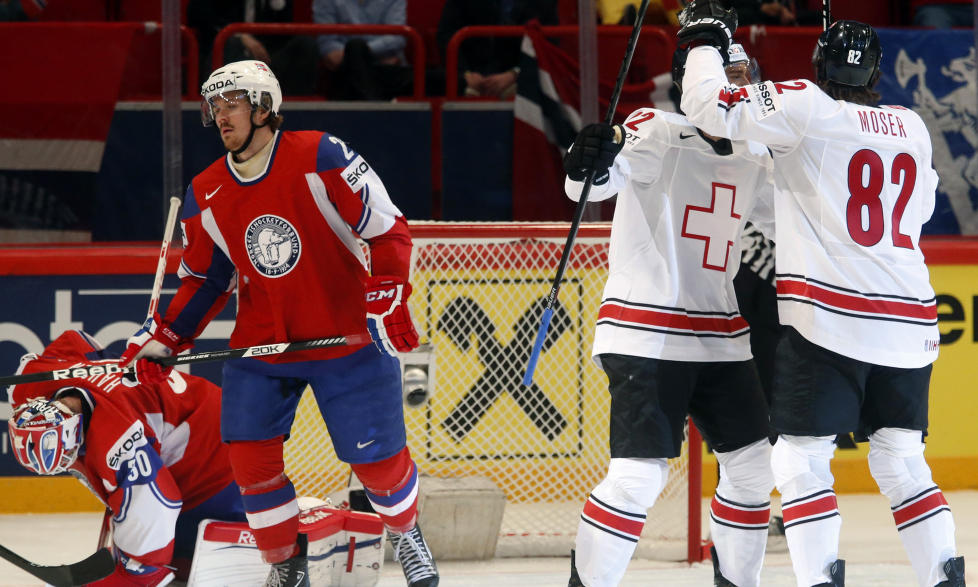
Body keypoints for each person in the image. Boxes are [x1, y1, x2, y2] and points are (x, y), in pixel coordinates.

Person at [677, 2, 966, 585]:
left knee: (801, 460)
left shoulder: (806, 105)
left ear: (818, 65)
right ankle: (946, 579)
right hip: (909, 323)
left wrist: (705, 40)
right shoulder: (911, 126)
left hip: (829, 320)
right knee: (903, 462)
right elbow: (923, 206)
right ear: (878, 73)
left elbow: (709, 106)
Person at [119, 60, 438, 587]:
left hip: (346, 338)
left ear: (264, 106)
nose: (221, 115)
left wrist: (389, 296)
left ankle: (405, 532)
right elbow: (205, 282)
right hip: (263, 347)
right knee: (249, 462)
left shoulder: (321, 155)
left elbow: (388, 230)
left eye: (232, 103)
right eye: (214, 106)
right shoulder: (206, 191)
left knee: (379, 464)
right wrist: (165, 336)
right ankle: (285, 563)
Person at [562, 43, 778, 587]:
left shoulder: (757, 152)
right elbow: (595, 182)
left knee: (755, 469)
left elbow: (793, 225)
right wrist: (585, 159)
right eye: (726, 74)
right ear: (694, 85)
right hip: (645, 331)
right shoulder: (655, 129)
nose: (737, 85)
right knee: (638, 478)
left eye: (743, 74)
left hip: (721, 336)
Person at [7, 330, 246, 586]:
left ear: (72, 429)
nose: (69, 461)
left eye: (67, 453)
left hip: (219, 454)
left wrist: (138, 573)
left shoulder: (115, 437)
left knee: (180, 560)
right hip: (199, 408)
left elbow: (158, 504)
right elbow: (76, 338)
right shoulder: (32, 382)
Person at [187, 0, 319, 95]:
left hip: (267, 56)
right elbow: (199, 16)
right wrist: (239, 35)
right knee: (233, 44)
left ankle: (296, 113)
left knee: (305, 45)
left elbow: (284, 27)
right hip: (226, 50)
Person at [437, 0, 559, 98]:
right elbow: (446, 35)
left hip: (518, 78)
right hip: (472, 76)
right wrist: (465, 74)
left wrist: (515, 74)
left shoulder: (544, 2)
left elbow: (548, 44)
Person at [313, 0, 414, 100]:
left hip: (387, 72)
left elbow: (397, 38)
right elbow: (328, 45)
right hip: (346, 73)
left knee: (423, 80)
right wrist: (360, 53)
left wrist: (360, 53)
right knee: (355, 48)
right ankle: (375, 111)